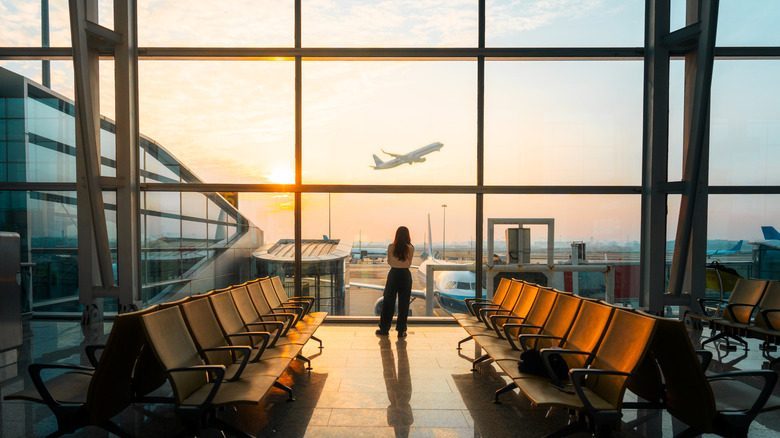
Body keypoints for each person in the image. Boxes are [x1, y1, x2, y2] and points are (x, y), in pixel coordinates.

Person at [376, 226, 414, 337]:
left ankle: (384, 329)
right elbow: (409, 262)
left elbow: (389, 261)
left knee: (388, 302)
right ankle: (401, 330)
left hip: (393, 275)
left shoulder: (391, 247)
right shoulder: (411, 248)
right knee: (404, 304)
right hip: (405, 275)